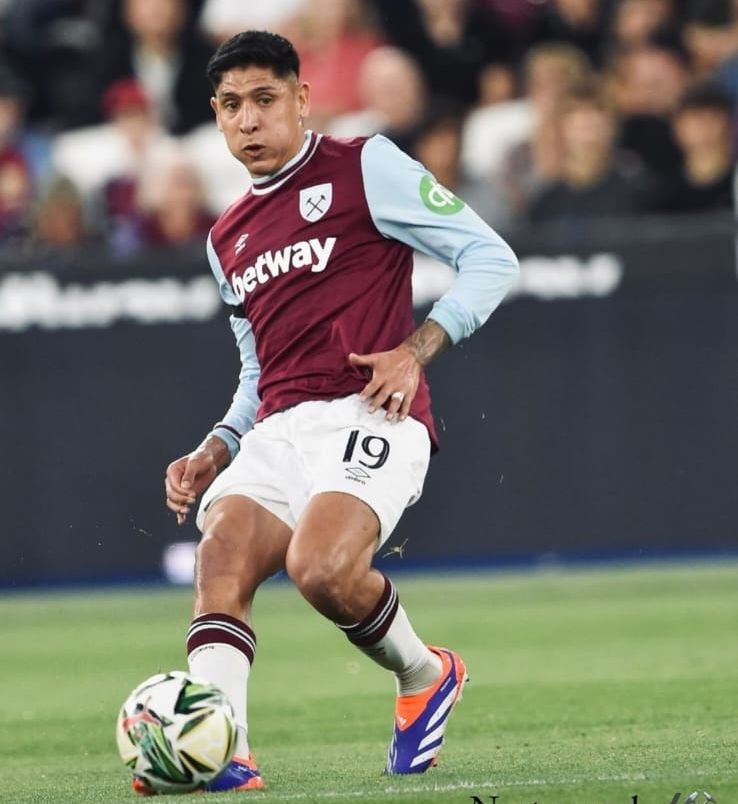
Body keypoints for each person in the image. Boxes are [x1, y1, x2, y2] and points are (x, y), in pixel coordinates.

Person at [151, 30, 518, 795]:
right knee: (219, 562)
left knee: (319, 569)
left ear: (301, 99)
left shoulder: (364, 166)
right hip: (279, 431)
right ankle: (225, 755)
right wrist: (218, 445)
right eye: (230, 106)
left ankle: (426, 674)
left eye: (263, 99)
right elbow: (257, 370)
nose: (247, 120)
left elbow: (491, 259)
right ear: (215, 118)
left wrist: (416, 349)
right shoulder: (226, 237)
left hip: (370, 412)